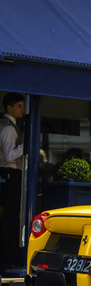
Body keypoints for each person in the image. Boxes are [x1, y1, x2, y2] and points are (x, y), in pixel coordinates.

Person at [0, 92, 26, 270]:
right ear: (9, 108)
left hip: (9, 175)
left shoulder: (10, 126)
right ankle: (6, 258)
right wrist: (28, 144)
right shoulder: (8, 128)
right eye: (19, 106)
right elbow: (9, 155)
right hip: (10, 174)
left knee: (10, 218)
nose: (23, 109)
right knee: (10, 218)